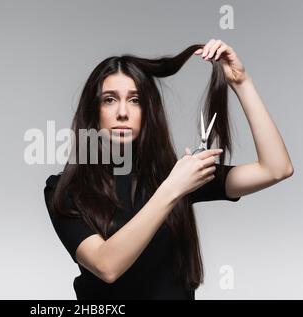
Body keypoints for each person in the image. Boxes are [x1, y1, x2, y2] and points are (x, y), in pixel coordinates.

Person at [43, 39, 294, 300]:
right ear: (93, 111)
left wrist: (242, 83)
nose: (122, 112)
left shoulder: (174, 175)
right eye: (109, 99)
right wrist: (174, 187)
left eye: (135, 100)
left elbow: (276, 168)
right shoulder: (65, 191)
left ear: (148, 110)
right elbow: (107, 266)